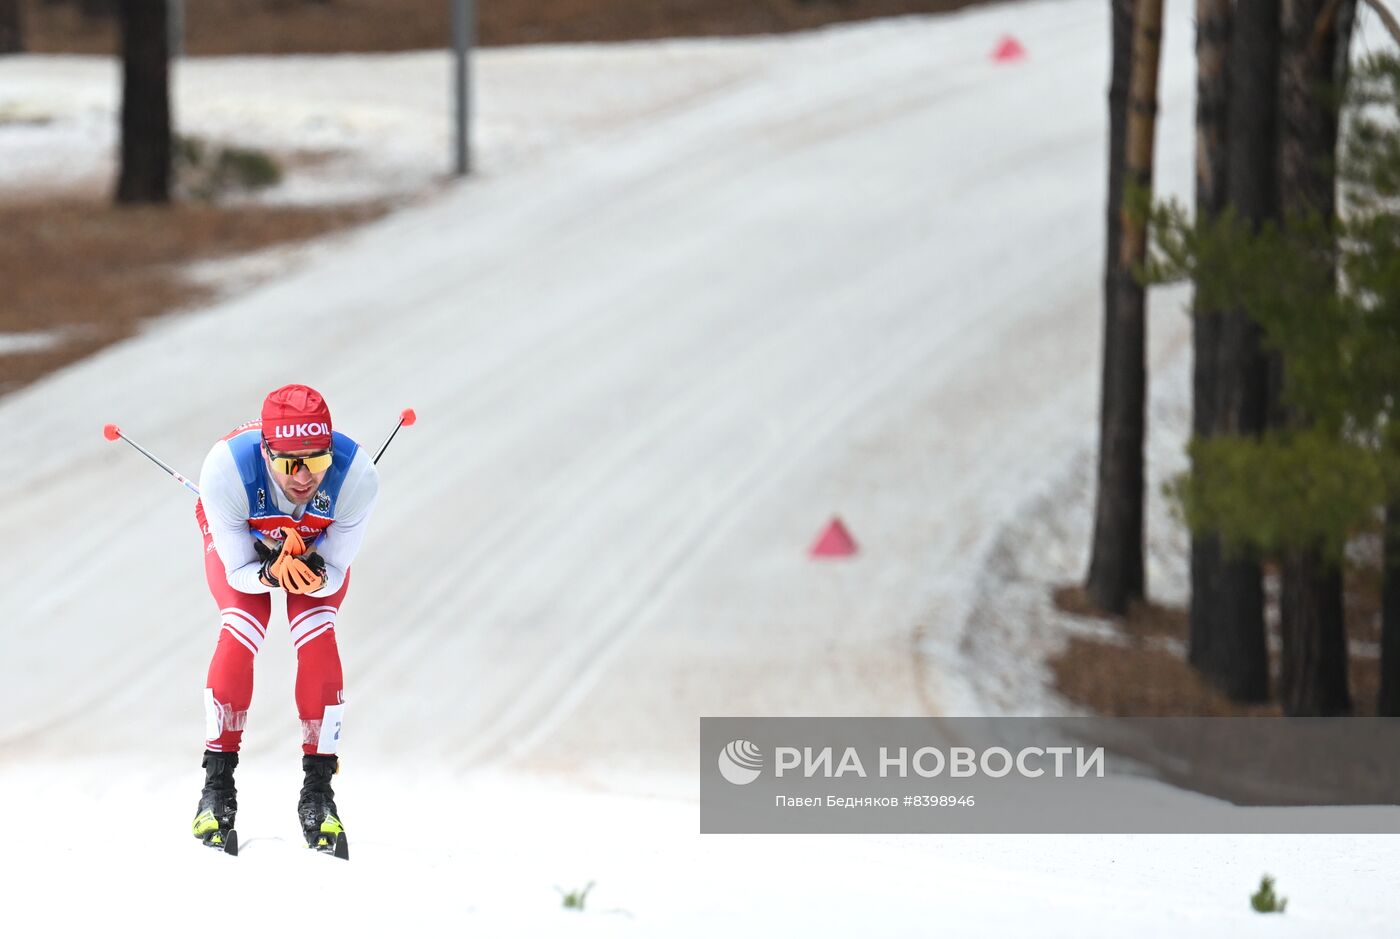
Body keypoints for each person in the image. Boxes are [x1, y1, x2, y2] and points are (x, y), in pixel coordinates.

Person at [191, 384, 379, 855]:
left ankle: (319, 796)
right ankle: (216, 791)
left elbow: (334, 576)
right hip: (247, 545)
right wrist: (270, 570)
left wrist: (315, 574)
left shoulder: (356, 476)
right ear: (265, 451)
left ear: (330, 452)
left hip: (313, 542)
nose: (302, 478)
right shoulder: (226, 469)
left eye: (316, 462)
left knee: (316, 633)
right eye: (288, 464)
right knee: (241, 626)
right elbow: (238, 571)